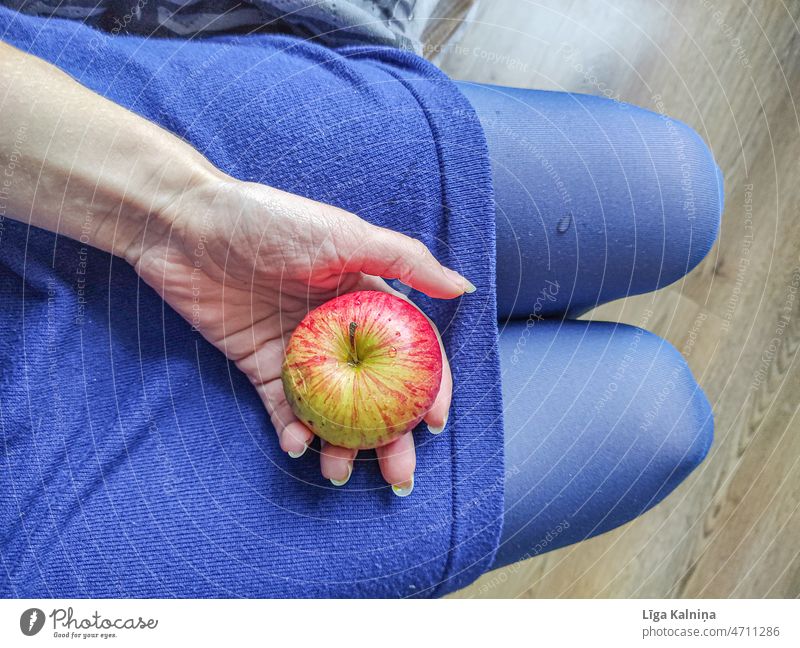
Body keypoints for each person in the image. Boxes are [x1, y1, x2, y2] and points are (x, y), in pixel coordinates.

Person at [0, 4, 722, 595]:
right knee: (658, 415)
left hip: (60, 177)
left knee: (677, 192)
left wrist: (174, 212)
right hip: (52, 523)